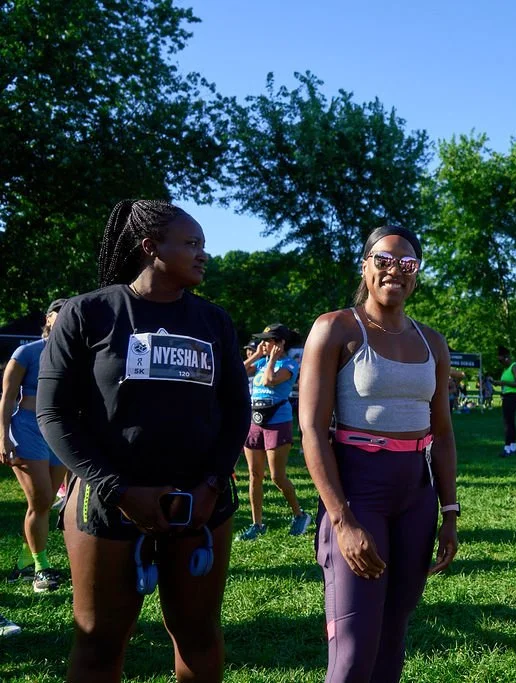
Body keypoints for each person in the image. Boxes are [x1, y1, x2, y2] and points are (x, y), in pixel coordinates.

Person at [35, 199, 251, 682]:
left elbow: (237, 410)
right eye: (192, 244)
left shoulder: (214, 321)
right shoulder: (88, 313)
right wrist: (119, 489)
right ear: (151, 248)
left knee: (198, 633)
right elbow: (53, 413)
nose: (203, 254)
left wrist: (212, 486)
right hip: (108, 502)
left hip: (200, 505)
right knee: (99, 640)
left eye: (203, 245)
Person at [299, 225, 459, 683]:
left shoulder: (432, 340)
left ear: (417, 273)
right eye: (383, 260)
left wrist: (449, 512)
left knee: (393, 639)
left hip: (416, 495)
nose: (395, 271)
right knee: (353, 650)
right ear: (365, 265)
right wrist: (342, 521)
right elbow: (311, 430)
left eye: (407, 263)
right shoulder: (335, 328)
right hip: (358, 492)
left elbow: (443, 433)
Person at [1, 298, 68, 592]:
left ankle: (24, 564)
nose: (65, 317)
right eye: (59, 312)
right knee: (41, 500)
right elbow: (5, 398)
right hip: (27, 428)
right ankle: (41, 571)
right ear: (48, 318)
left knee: (46, 503)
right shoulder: (26, 352)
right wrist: (2, 436)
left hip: (59, 432)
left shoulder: (75, 354)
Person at [238, 323, 313, 541]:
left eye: (268, 340)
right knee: (254, 475)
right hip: (255, 420)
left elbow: (270, 381)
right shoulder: (261, 361)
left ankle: (299, 514)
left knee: (277, 476)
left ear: (280, 343)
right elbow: (240, 372)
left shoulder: (288, 364)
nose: (263, 344)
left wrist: (271, 358)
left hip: (277, 422)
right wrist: (257, 356)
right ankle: (257, 523)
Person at [496, 346, 516, 457]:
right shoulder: (506, 369)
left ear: (506, 358)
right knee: (510, 422)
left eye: (502, 360)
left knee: (508, 423)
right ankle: (513, 446)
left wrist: (503, 383)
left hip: (513, 397)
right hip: (507, 396)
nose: (501, 362)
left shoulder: (514, 367)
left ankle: (507, 448)